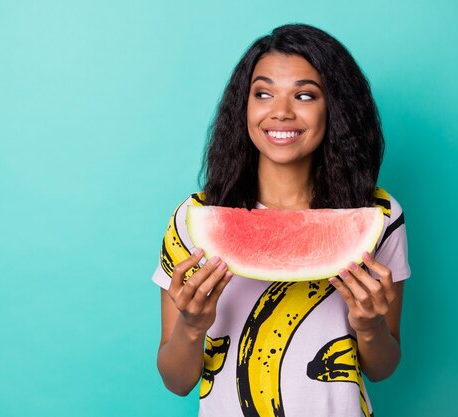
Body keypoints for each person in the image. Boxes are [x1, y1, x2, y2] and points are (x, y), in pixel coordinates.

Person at [151, 24, 410, 417]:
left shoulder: (378, 215)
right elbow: (176, 381)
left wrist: (370, 326)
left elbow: (383, 368)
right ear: (244, 106)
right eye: (263, 93)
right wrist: (190, 326)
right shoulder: (194, 218)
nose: (281, 111)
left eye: (305, 95)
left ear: (335, 108)